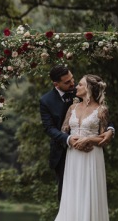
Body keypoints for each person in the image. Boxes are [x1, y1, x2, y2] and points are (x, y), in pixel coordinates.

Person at [0, 74, 115, 221]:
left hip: (92, 156)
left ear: (88, 89)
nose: (76, 87)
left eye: (79, 84)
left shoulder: (102, 110)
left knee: (90, 192)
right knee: (72, 194)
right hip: (73, 156)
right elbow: (63, 130)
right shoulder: (72, 107)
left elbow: (104, 137)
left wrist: (89, 139)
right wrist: (71, 140)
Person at [40, 65, 113, 202]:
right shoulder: (46, 101)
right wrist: (69, 139)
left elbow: (102, 115)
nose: (72, 84)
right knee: (67, 197)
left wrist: (110, 130)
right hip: (64, 151)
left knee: (90, 194)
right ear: (56, 84)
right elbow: (49, 128)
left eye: (72, 79)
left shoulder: (82, 90)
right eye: (67, 82)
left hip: (91, 151)